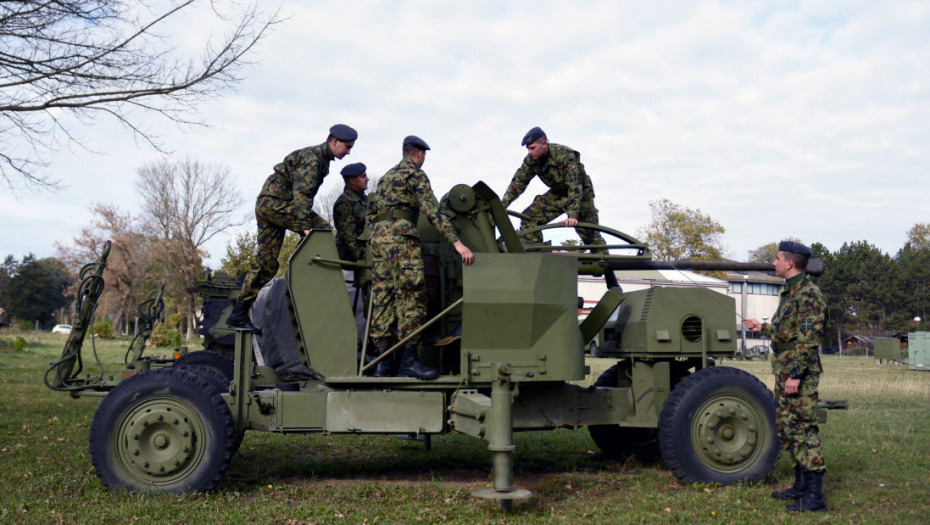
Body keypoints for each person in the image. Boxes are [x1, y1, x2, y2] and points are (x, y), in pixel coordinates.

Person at [227, 124, 358, 334]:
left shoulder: (319, 159)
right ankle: (304, 275)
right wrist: (306, 228)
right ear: (334, 141)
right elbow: (302, 196)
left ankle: (238, 312)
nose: (349, 152)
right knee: (322, 231)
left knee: (267, 262)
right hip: (277, 203)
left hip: (268, 204)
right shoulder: (314, 159)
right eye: (347, 147)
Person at [366, 135, 474, 379]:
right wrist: (456, 242)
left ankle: (383, 363)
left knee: (383, 297)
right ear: (419, 154)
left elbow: (371, 212)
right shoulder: (415, 174)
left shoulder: (386, 177)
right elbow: (432, 210)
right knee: (412, 295)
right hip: (402, 239)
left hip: (378, 239)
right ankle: (409, 361)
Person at [743, 241, 828, 513]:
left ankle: (815, 496)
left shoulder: (809, 294)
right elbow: (788, 331)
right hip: (785, 370)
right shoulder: (790, 293)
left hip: (797, 371)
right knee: (788, 427)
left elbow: (808, 339)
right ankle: (801, 485)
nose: (774, 262)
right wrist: (763, 327)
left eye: (777, 258)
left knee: (803, 428)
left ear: (790, 263)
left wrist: (797, 374)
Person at [500, 126, 619, 290]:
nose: (529, 152)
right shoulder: (531, 161)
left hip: (581, 193)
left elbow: (574, 186)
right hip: (557, 193)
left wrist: (573, 214)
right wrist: (501, 207)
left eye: (532, 148)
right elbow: (517, 185)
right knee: (529, 218)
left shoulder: (564, 155)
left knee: (590, 235)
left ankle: (611, 279)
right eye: (528, 148)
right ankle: (536, 261)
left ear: (544, 144)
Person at [333, 162, 370, 265]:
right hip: (349, 262)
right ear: (352, 181)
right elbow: (348, 237)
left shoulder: (365, 200)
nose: (367, 179)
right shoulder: (344, 202)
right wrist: (365, 256)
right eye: (363, 176)